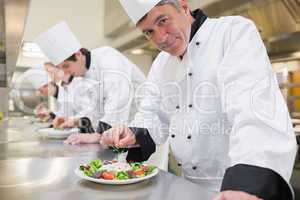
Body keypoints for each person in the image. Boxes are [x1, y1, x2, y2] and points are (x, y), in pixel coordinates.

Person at [99, 0, 297, 199]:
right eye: (149, 32)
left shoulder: (231, 33)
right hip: (188, 186)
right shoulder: (161, 63)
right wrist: (132, 133)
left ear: (184, 6)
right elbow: (153, 115)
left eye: (163, 21)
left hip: (237, 184)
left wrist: (247, 183)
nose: (160, 38)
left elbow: (254, 111)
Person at [35, 21, 146, 141]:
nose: (65, 72)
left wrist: (98, 135)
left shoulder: (108, 58)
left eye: (66, 66)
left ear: (78, 55)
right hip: (123, 134)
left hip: (144, 128)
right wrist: (74, 121)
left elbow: (119, 99)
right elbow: (96, 109)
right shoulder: (84, 75)